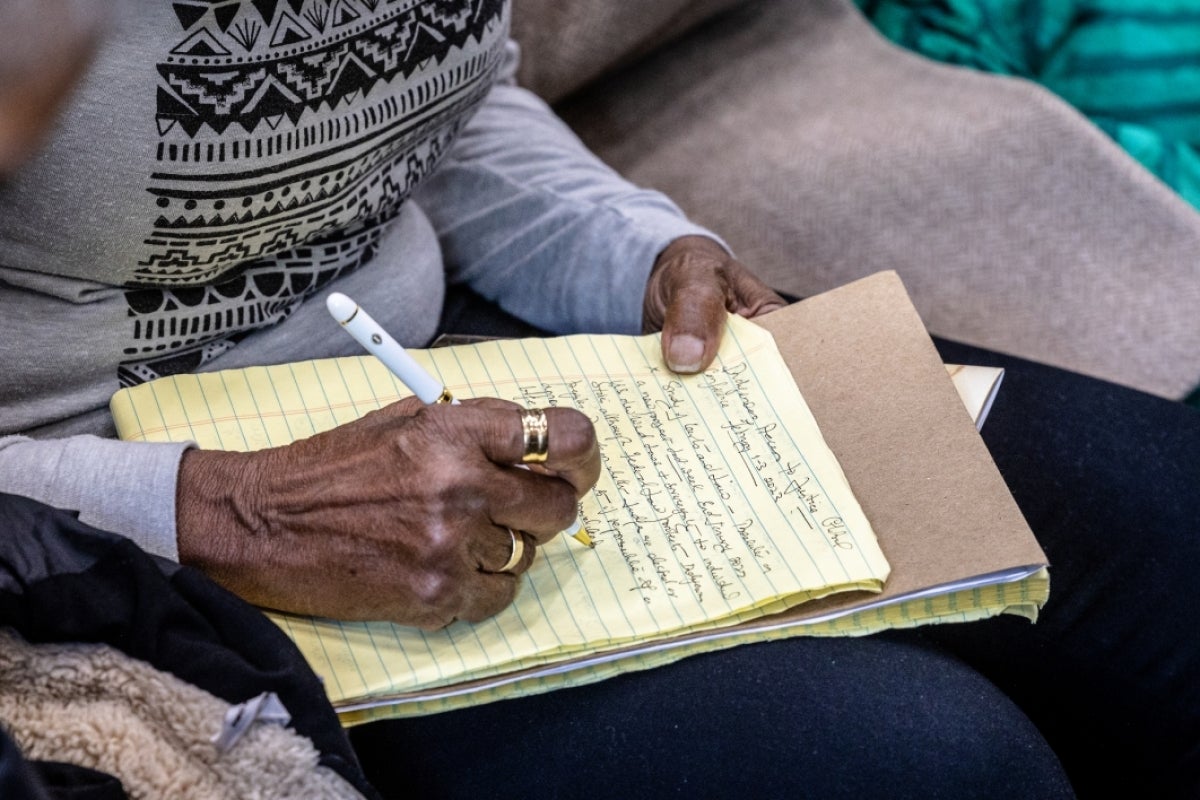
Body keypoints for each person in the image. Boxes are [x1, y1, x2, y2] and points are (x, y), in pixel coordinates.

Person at [0, 2, 1195, 798]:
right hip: (111, 500)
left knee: (1169, 517)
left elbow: (449, 122)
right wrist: (220, 510)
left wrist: (645, 252)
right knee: (935, 764)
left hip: (453, 357)